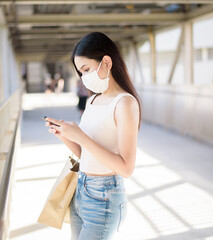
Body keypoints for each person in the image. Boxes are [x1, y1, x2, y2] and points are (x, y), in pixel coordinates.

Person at [44, 32, 141, 240]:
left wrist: (81, 136)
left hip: (104, 196)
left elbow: (126, 168)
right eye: (81, 72)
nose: (84, 77)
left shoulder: (125, 103)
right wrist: (65, 135)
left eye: (86, 69)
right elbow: (85, 153)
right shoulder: (92, 101)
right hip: (80, 190)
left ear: (106, 61)